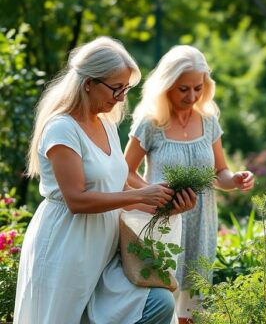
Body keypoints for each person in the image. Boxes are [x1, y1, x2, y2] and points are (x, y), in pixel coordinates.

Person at [14, 37, 197, 324]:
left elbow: (118, 188)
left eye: (126, 88)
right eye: (117, 88)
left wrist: (166, 206)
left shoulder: (106, 124)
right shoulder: (62, 129)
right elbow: (77, 199)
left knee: (158, 302)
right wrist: (140, 195)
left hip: (105, 247)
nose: (122, 97)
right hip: (67, 246)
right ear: (89, 83)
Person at [124, 45, 255, 323]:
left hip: (201, 223)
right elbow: (124, 172)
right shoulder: (150, 123)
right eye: (184, 89)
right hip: (164, 222)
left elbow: (220, 172)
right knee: (163, 298)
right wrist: (153, 195)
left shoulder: (209, 121)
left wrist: (237, 179)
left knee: (195, 305)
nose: (192, 96)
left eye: (198, 88)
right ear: (167, 84)